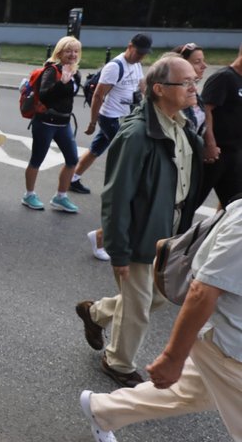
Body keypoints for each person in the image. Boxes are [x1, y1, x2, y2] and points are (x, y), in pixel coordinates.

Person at [75, 55, 203, 388]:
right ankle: (117, 362)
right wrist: (118, 251)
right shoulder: (136, 136)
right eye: (186, 81)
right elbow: (116, 197)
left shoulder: (181, 124)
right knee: (139, 305)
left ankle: (97, 313)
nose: (194, 86)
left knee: (158, 296)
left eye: (195, 80)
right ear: (159, 89)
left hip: (170, 233)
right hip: (140, 233)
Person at [79, 196, 242, 442]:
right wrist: (171, 357)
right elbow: (202, 291)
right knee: (137, 305)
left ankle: (102, 410)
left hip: (227, 345)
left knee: (191, 392)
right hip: (229, 346)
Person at [70, 33, 153, 195]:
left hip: (125, 116)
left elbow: (141, 85)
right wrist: (93, 122)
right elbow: (98, 96)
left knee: (97, 148)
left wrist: (149, 104)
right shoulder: (115, 67)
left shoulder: (136, 64)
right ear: (130, 46)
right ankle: (119, 190)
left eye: (144, 54)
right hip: (110, 117)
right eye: (139, 53)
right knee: (125, 153)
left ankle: (72, 178)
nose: (141, 57)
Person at [21, 36, 82, 213]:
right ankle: (29, 194)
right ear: (60, 52)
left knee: (72, 159)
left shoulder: (75, 73)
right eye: (69, 50)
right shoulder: (52, 70)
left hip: (64, 123)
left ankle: (60, 197)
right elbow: (45, 96)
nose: (72, 54)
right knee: (37, 159)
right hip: (45, 122)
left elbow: (69, 97)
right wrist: (61, 83)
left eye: (76, 51)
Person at [199, 43, 242, 208]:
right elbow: (205, 110)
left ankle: (220, 232)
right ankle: (176, 231)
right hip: (216, 153)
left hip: (234, 153)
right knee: (192, 202)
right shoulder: (223, 77)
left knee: (234, 205)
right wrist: (210, 144)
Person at [172, 43, 208, 137]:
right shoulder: (175, 96)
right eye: (197, 62)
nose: (204, 66)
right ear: (182, 64)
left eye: (203, 61)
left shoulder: (193, 92)